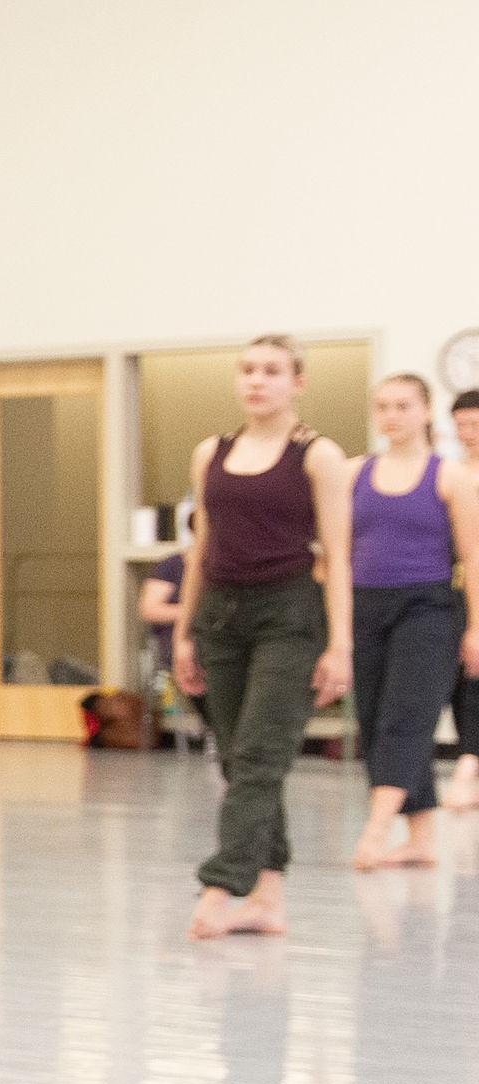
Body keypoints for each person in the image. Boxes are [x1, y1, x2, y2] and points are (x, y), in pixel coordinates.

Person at [174, 334, 351, 939]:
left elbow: (339, 554)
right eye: (247, 370)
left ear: (297, 382)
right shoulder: (211, 453)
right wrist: (183, 633)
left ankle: (221, 884)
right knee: (238, 757)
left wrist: (340, 645)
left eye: (272, 371)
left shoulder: (318, 455)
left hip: (289, 614)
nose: (257, 380)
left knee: (259, 755)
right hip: (220, 617)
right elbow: (201, 546)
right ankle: (268, 898)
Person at [344, 373, 477, 868]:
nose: (392, 416)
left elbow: (473, 555)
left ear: (426, 412)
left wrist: (476, 629)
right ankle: (420, 838)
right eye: (383, 407)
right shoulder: (354, 472)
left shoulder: (450, 477)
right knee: (375, 720)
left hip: (428, 609)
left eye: (403, 406)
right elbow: (335, 551)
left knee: (407, 716)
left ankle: (376, 831)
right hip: (365, 606)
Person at [456, 390, 479, 811]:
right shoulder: (451, 474)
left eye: (475, 424)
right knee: (468, 678)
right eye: (461, 425)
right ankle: (467, 762)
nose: (469, 433)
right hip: (461, 590)